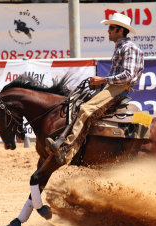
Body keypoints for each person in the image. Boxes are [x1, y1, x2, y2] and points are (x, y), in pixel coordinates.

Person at [45, 13, 144, 164]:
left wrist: (103, 80)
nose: (108, 31)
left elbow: (128, 76)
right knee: (75, 101)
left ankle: (67, 148)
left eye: (111, 28)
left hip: (119, 88)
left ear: (121, 30)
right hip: (112, 86)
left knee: (85, 110)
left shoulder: (130, 48)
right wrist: (102, 83)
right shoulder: (122, 47)